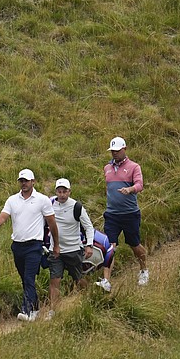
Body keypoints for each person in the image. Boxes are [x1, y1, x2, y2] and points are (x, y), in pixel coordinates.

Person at [0, 169, 59, 321]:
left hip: (34, 246)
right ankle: (34, 308)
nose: (24, 183)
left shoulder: (42, 200)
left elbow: (52, 223)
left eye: (26, 181)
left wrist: (56, 245)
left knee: (28, 278)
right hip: (17, 246)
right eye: (21, 181)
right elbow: (3, 216)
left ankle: (26, 311)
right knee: (25, 279)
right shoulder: (12, 200)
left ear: (33, 182)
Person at [96, 136, 148, 292]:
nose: (114, 154)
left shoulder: (134, 167)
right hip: (112, 214)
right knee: (109, 247)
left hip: (130, 213)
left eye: (117, 151)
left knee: (134, 244)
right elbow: (108, 188)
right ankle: (106, 280)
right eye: (112, 151)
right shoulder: (107, 168)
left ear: (124, 149)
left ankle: (144, 270)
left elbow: (139, 185)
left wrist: (130, 189)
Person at [46, 178, 95, 318]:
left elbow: (88, 227)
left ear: (69, 191)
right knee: (54, 280)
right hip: (55, 250)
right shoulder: (49, 204)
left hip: (73, 249)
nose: (62, 194)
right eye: (59, 191)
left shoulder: (76, 207)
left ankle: (89, 297)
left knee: (78, 279)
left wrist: (89, 245)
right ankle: (53, 311)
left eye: (64, 191)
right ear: (56, 192)